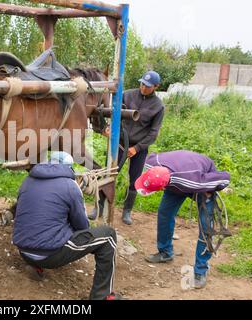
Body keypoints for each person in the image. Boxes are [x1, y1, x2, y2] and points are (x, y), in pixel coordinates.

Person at [12, 151, 121, 300]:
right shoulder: (70, 185)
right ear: (69, 168)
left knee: (41, 225)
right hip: (50, 255)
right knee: (108, 236)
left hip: (23, 250)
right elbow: (82, 226)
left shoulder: (27, 181)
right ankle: (102, 296)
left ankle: (34, 265)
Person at [134, 150, 231, 289]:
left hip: (202, 183)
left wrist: (212, 189)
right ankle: (165, 252)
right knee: (164, 213)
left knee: (206, 227)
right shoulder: (150, 164)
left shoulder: (194, 181)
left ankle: (200, 270)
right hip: (175, 178)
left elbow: (224, 177)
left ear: (162, 187)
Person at [90, 70, 165, 225]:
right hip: (120, 142)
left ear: (156, 86)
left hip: (139, 147)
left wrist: (137, 148)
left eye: (148, 86)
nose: (144, 87)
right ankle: (99, 206)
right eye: (142, 83)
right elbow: (114, 114)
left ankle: (127, 211)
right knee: (108, 173)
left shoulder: (158, 106)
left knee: (135, 178)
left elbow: (153, 133)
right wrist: (109, 128)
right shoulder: (127, 95)